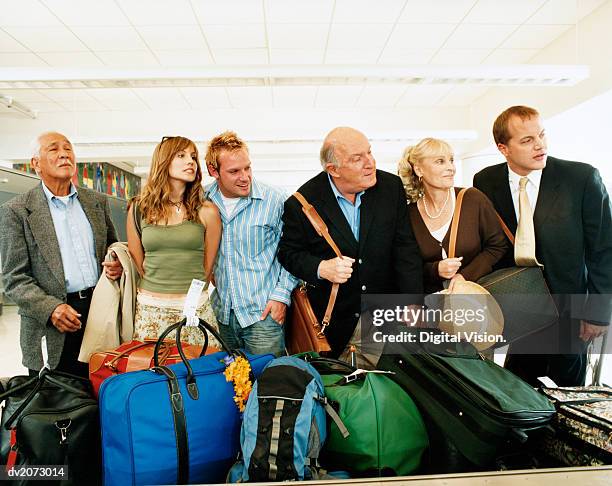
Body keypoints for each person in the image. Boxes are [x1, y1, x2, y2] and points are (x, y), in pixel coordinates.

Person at [474, 105, 612, 386]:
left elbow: (604, 248)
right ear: (504, 148)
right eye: (527, 140)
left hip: (570, 310)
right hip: (518, 307)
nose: (540, 145)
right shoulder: (486, 181)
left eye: (541, 135)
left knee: (566, 393)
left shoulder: (581, 178)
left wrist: (597, 313)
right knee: (517, 389)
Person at [278, 126, 423, 357]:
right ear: (333, 169)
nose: (370, 163)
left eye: (369, 152)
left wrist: (413, 301)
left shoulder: (391, 188)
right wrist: (321, 268)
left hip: (386, 318)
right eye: (357, 159)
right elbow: (288, 253)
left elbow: (405, 248)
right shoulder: (302, 203)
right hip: (335, 325)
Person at [0, 131, 122, 377]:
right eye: (53, 149)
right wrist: (51, 308)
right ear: (36, 164)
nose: (64, 154)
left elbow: (113, 247)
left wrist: (117, 264)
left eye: (68, 148)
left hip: (100, 312)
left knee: (101, 392)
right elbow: (14, 278)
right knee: (54, 403)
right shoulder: (17, 211)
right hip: (52, 321)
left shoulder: (97, 202)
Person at [204, 131, 297, 356]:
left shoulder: (275, 199)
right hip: (221, 315)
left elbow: (295, 251)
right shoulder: (201, 200)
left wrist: (281, 296)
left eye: (247, 168)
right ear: (213, 171)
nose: (245, 177)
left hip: (263, 316)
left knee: (266, 385)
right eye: (234, 171)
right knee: (226, 387)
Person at [127, 136, 222, 347]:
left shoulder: (207, 211)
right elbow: (137, 257)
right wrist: (160, 286)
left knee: (199, 372)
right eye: (181, 155)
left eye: (193, 157)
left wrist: (186, 295)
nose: (191, 161)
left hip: (193, 308)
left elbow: (207, 267)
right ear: (164, 161)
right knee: (154, 374)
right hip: (150, 309)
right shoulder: (138, 208)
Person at [398, 137, 508, 294]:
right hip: (434, 308)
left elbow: (498, 246)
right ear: (419, 170)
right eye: (440, 161)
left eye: (451, 160)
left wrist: (465, 276)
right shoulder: (410, 214)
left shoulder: (472, 199)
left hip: (476, 301)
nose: (451, 168)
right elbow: (407, 266)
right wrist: (435, 269)